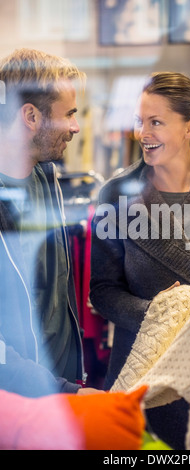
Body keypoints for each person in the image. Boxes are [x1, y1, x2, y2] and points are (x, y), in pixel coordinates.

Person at [90, 71, 190, 449]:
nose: (142, 133)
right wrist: (160, 313)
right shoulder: (117, 195)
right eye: (139, 121)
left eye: (156, 122)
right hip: (145, 379)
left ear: (189, 127)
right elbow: (102, 290)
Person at [0, 48, 98, 397]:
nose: (75, 126)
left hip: (64, 391)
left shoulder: (47, 176)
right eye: (68, 114)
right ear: (30, 116)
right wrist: (64, 392)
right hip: (20, 409)